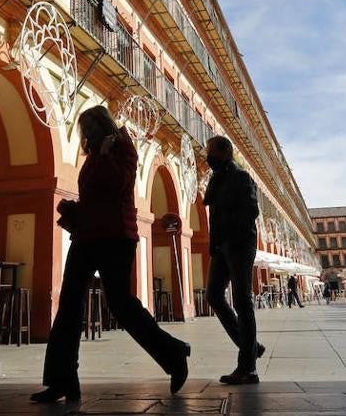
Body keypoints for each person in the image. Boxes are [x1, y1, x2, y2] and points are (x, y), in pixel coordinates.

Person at [34, 106, 190, 403]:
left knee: (121, 305)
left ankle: (174, 354)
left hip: (116, 237)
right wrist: (74, 210)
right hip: (87, 236)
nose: (87, 134)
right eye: (84, 130)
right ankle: (62, 380)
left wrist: (105, 154)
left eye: (90, 127)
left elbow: (120, 185)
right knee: (68, 305)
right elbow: (94, 196)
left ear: (103, 124)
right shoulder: (94, 154)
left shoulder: (123, 148)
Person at [203, 135, 266, 385]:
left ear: (225, 152)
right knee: (213, 295)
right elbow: (211, 209)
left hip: (240, 243)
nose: (208, 156)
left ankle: (247, 367)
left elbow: (252, 210)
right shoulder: (216, 179)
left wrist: (230, 231)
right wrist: (214, 243)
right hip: (221, 246)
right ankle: (250, 345)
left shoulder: (241, 177)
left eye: (211, 151)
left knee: (242, 300)